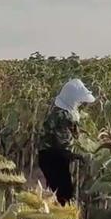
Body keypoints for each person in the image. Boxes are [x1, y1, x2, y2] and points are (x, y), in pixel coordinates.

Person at [39, 78, 95, 206]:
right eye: (78, 101)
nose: (80, 104)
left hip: (50, 155)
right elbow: (64, 145)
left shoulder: (60, 111)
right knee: (62, 193)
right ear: (71, 99)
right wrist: (82, 155)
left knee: (57, 190)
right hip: (52, 157)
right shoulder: (62, 116)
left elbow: (73, 134)